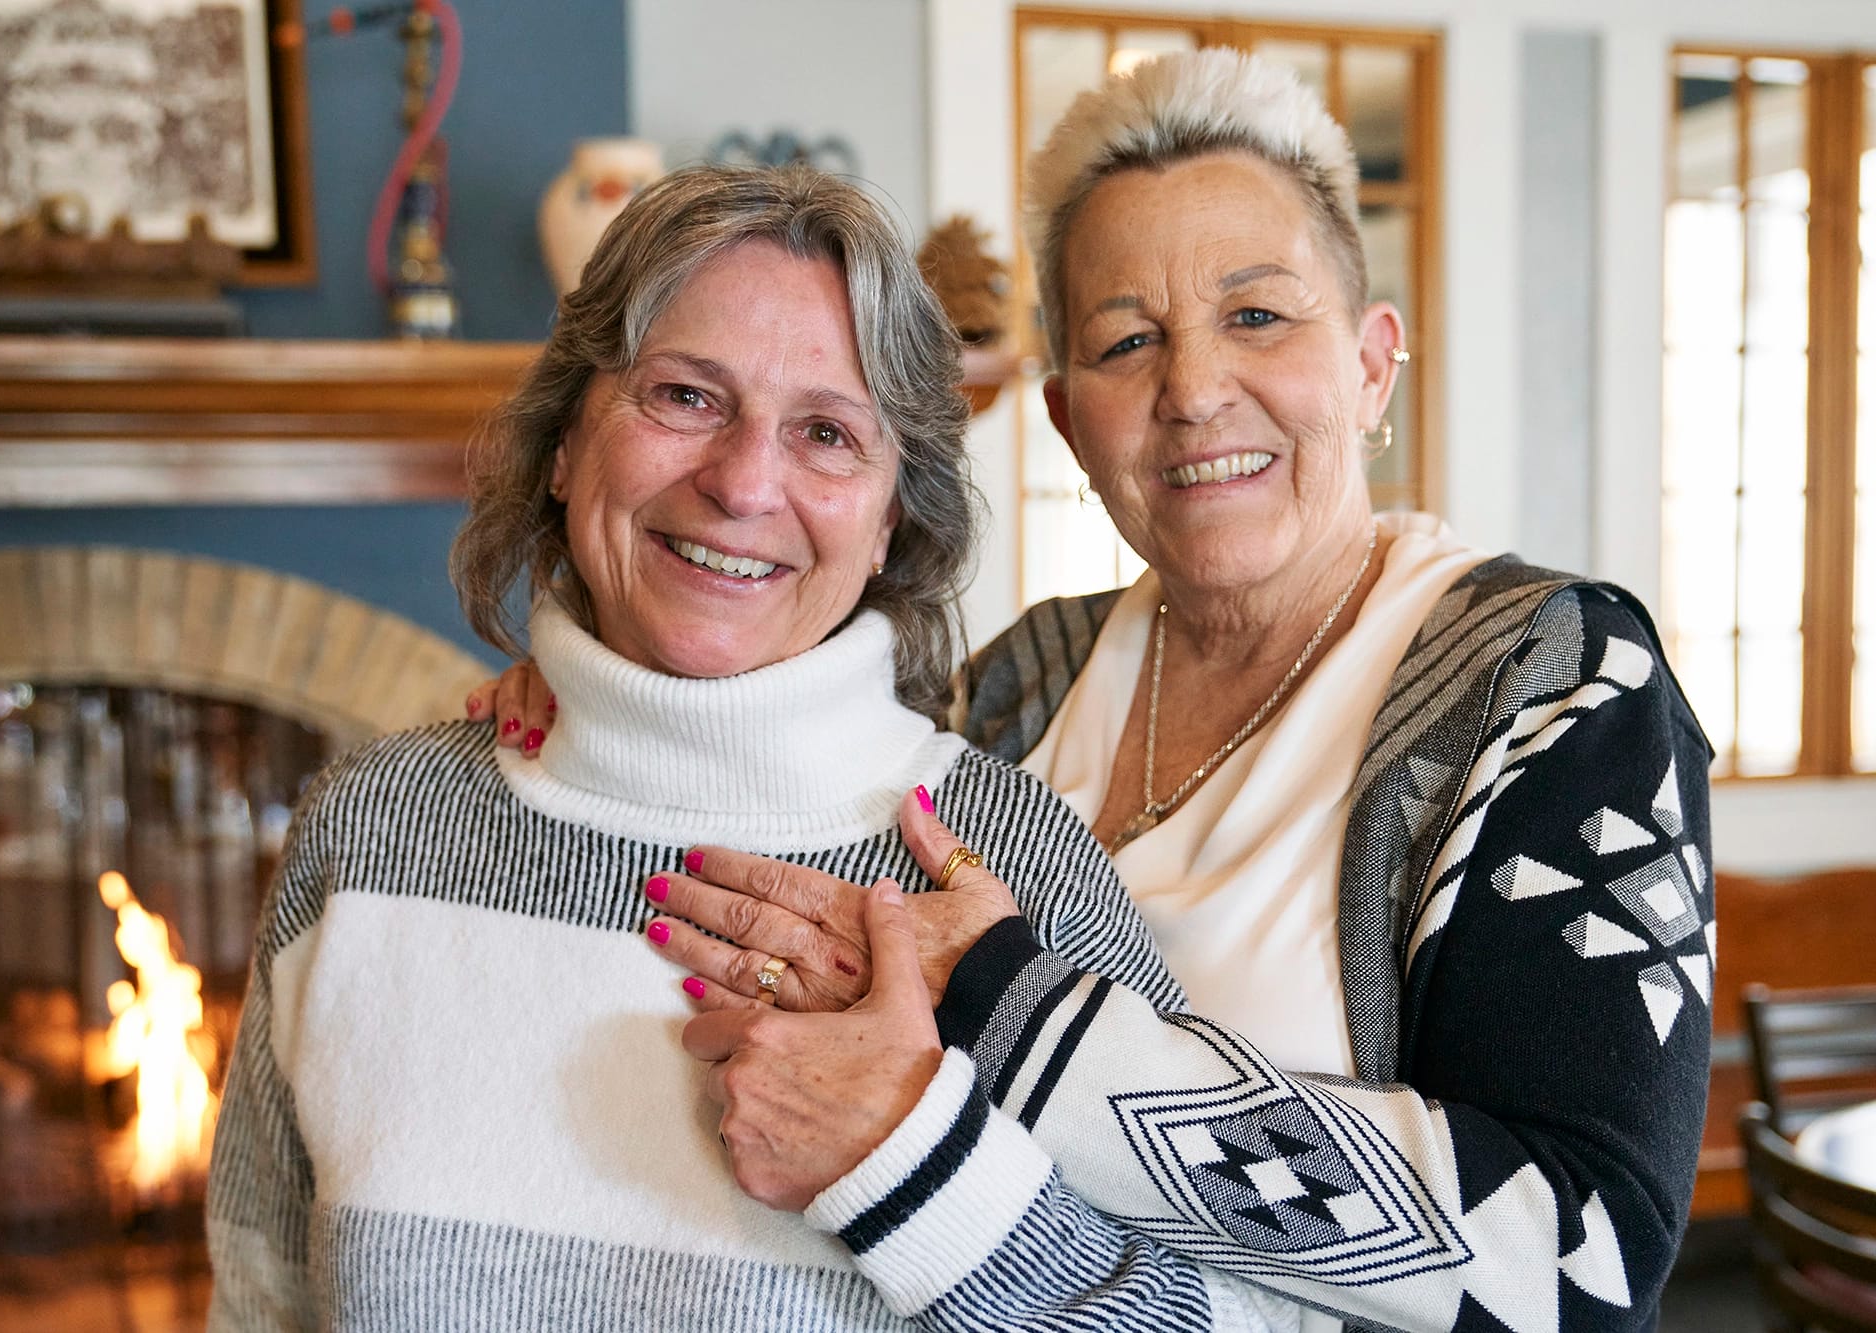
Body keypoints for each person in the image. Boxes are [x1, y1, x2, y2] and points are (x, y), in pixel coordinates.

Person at [485, 49, 1713, 1333]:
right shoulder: (1021, 681)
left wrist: (1017, 1012)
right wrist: (590, 684)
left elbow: (1582, 1255)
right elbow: (760, 702)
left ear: (1369, 364)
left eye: (1257, 314)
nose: (1192, 391)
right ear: (1071, 423)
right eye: (1129, 341)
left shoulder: (1554, 682)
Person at [205, 162, 1288, 1331]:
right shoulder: (372, 825)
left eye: (826, 432)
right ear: (566, 440)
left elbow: (1230, 1312)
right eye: (684, 396)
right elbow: (258, 1299)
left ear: (888, 524)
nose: (742, 482)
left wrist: (915, 1167)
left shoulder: (1000, 869)